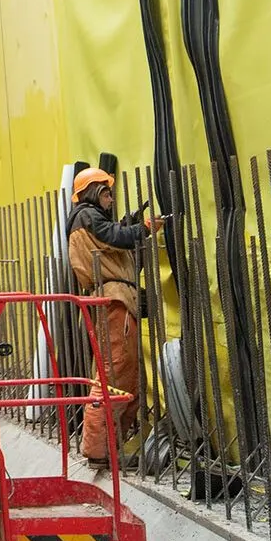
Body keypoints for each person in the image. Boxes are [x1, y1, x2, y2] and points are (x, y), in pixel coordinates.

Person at [65, 168, 162, 466]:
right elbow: (114, 237)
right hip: (114, 302)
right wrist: (142, 228)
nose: (110, 199)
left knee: (125, 376)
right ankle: (98, 451)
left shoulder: (89, 219)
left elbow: (113, 241)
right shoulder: (86, 216)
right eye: (106, 193)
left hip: (119, 299)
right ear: (93, 192)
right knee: (113, 375)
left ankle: (109, 449)